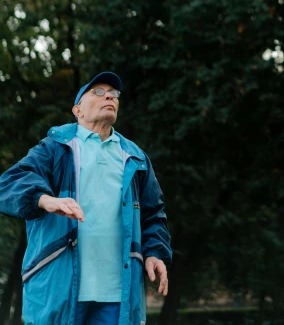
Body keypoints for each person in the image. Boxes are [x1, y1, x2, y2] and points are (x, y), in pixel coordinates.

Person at [0, 71, 172, 325]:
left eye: (114, 94)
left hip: (118, 294)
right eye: (99, 92)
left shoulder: (134, 157)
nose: (109, 97)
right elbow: (8, 184)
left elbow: (153, 214)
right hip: (60, 289)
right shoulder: (54, 148)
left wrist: (155, 252)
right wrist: (46, 200)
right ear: (77, 110)